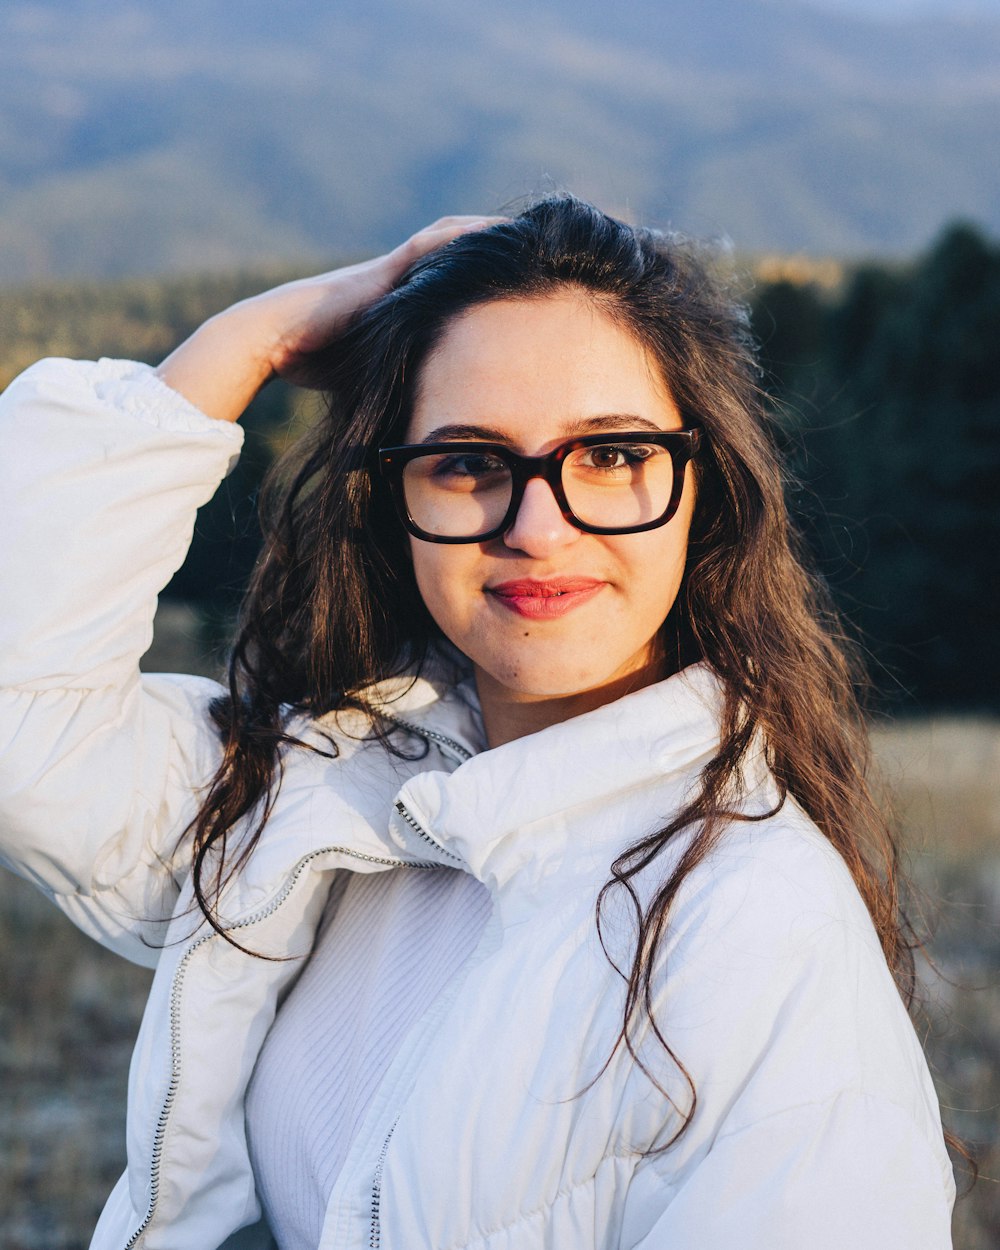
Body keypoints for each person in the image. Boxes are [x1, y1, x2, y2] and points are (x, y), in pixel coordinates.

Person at [0, 197, 955, 1250]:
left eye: (609, 455)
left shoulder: (759, 942)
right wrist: (256, 338)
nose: (537, 529)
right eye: (467, 463)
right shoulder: (332, 787)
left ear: (703, 487)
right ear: (390, 500)